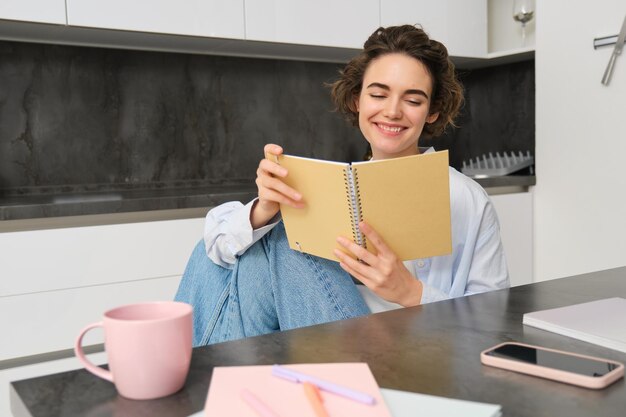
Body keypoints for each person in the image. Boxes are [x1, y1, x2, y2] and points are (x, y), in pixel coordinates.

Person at [175, 24, 509, 347]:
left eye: (413, 100)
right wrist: (264, 209)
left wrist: (410, 292)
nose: (392, 112)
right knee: (226, 251)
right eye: (378, 94)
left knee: (277, 242)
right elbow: (216, 250)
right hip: (319, 334)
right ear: (356, 101)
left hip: (414, 353)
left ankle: (189, 377)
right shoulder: (336, 189)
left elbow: (492, 324)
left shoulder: (467, 198)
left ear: (432, 111)